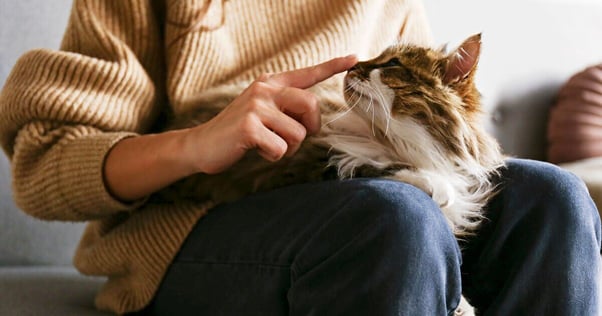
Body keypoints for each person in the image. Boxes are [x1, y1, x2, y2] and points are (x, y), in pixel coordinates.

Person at [0, 0, 600, 315]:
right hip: (191, 229)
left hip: (355, 197)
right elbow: (44, 164)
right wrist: (196, 144)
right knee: (395, 220)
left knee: (555, 199)